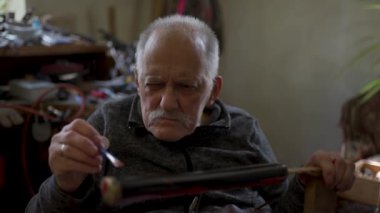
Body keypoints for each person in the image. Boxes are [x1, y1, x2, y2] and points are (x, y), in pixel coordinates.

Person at [25, 14, 355, 212]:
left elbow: (284, 207)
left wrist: (313, 179)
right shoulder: (107, 125)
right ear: (137, 82)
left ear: (213, 90)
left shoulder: (243, 130)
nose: (167, 102)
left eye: (186, 86)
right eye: (154, 84)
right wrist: (64, 184)